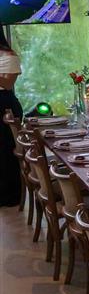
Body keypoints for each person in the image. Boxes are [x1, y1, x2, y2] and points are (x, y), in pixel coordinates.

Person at [0, 32, 23, 207]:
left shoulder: (9, 56)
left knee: (6, 150)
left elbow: (8, 84)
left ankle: (10, 194)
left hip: (4, 105)